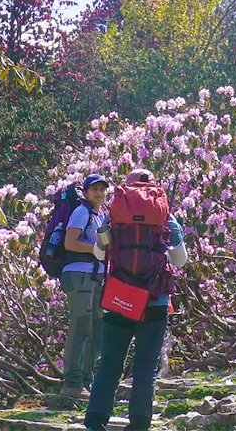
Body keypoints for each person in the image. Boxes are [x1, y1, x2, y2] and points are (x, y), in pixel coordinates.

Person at [84, 169, 187, 431]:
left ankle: (96, 423)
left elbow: (98, 253)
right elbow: (180, 260)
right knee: (145, 366)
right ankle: (139, 425)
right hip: (155, 300)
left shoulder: (116, 213)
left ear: (125, 188)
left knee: (109, 364)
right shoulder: (164, 215)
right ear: (153, 187)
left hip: (121, 298)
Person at [60, 173, 109, 399]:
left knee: (97, 329)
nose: (98, 193)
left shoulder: (101, 216)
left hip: (95, 277)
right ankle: (72, 384)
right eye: (94, 189)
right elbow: (70, 242)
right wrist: (92, 250)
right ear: (86, 192)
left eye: (102, 189)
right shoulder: (81, 212)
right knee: (80, 327)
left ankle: (86, 383)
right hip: (79, 275)